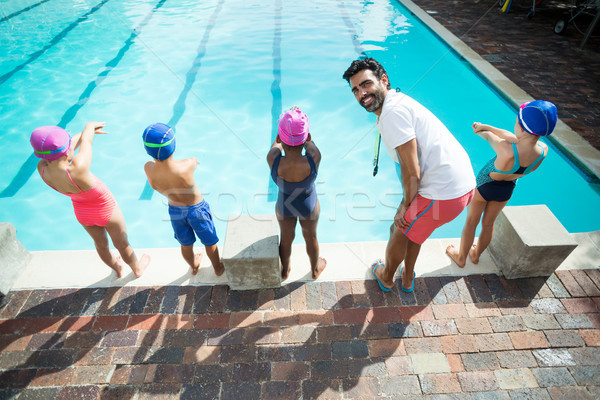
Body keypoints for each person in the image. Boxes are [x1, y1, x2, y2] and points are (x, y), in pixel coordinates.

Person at [342, 58, 476, 292]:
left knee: (399, 227)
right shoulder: (397, 101)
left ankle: (386, 276)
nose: (361, 94)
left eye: (366, 84)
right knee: (415, 230)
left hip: (444, 193)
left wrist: (404, 204)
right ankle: (407, 277)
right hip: (460, 186)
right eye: (355, 90)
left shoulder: (392, 114)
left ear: (383, 80)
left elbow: (412, 169)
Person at [30, 123, 150, 278]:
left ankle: (117, 268)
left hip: (82, 214)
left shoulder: (42, 168)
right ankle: (137, 268)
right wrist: (89, 126)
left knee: (101, 245)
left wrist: (86, 132)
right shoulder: (78, 168)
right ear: (67, 153)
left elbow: (58, 150)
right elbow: (87, 142)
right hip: (106, 210)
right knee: (122, 243)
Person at [446, 100, 557, 267]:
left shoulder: (506, 150)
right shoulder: (542, 151)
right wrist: (488, 127)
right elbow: (512, 137)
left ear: (521, 128)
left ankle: (461, 257)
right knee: (488, 224)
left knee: (471, 222)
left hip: (485, 187)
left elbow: (491, 137)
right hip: (506, 190)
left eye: (516, 122)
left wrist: (483, 129)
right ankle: (475, 255)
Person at [142, 122, 224, 276]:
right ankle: (218, 268)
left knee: (185, 244)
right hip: (197, 210)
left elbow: (154, 166)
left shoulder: (148, 168)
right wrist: (194, 160)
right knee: (209, 241)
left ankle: (193, 266)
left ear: (148, 151)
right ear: (173, 146)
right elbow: (194, 160)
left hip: (175, 212)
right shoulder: (186, 165)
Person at [267, 107, 327, 280]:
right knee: (311, 237)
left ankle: (285, 271)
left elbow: (277, 145)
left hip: (284, 206)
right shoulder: (314, 156)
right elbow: (309, 142)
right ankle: (315, 270)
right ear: (306, 136)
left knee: (286, 239)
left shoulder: (273, 158)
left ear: (279, 137)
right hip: (308, 206)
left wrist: (287, 123)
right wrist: (299, 123)